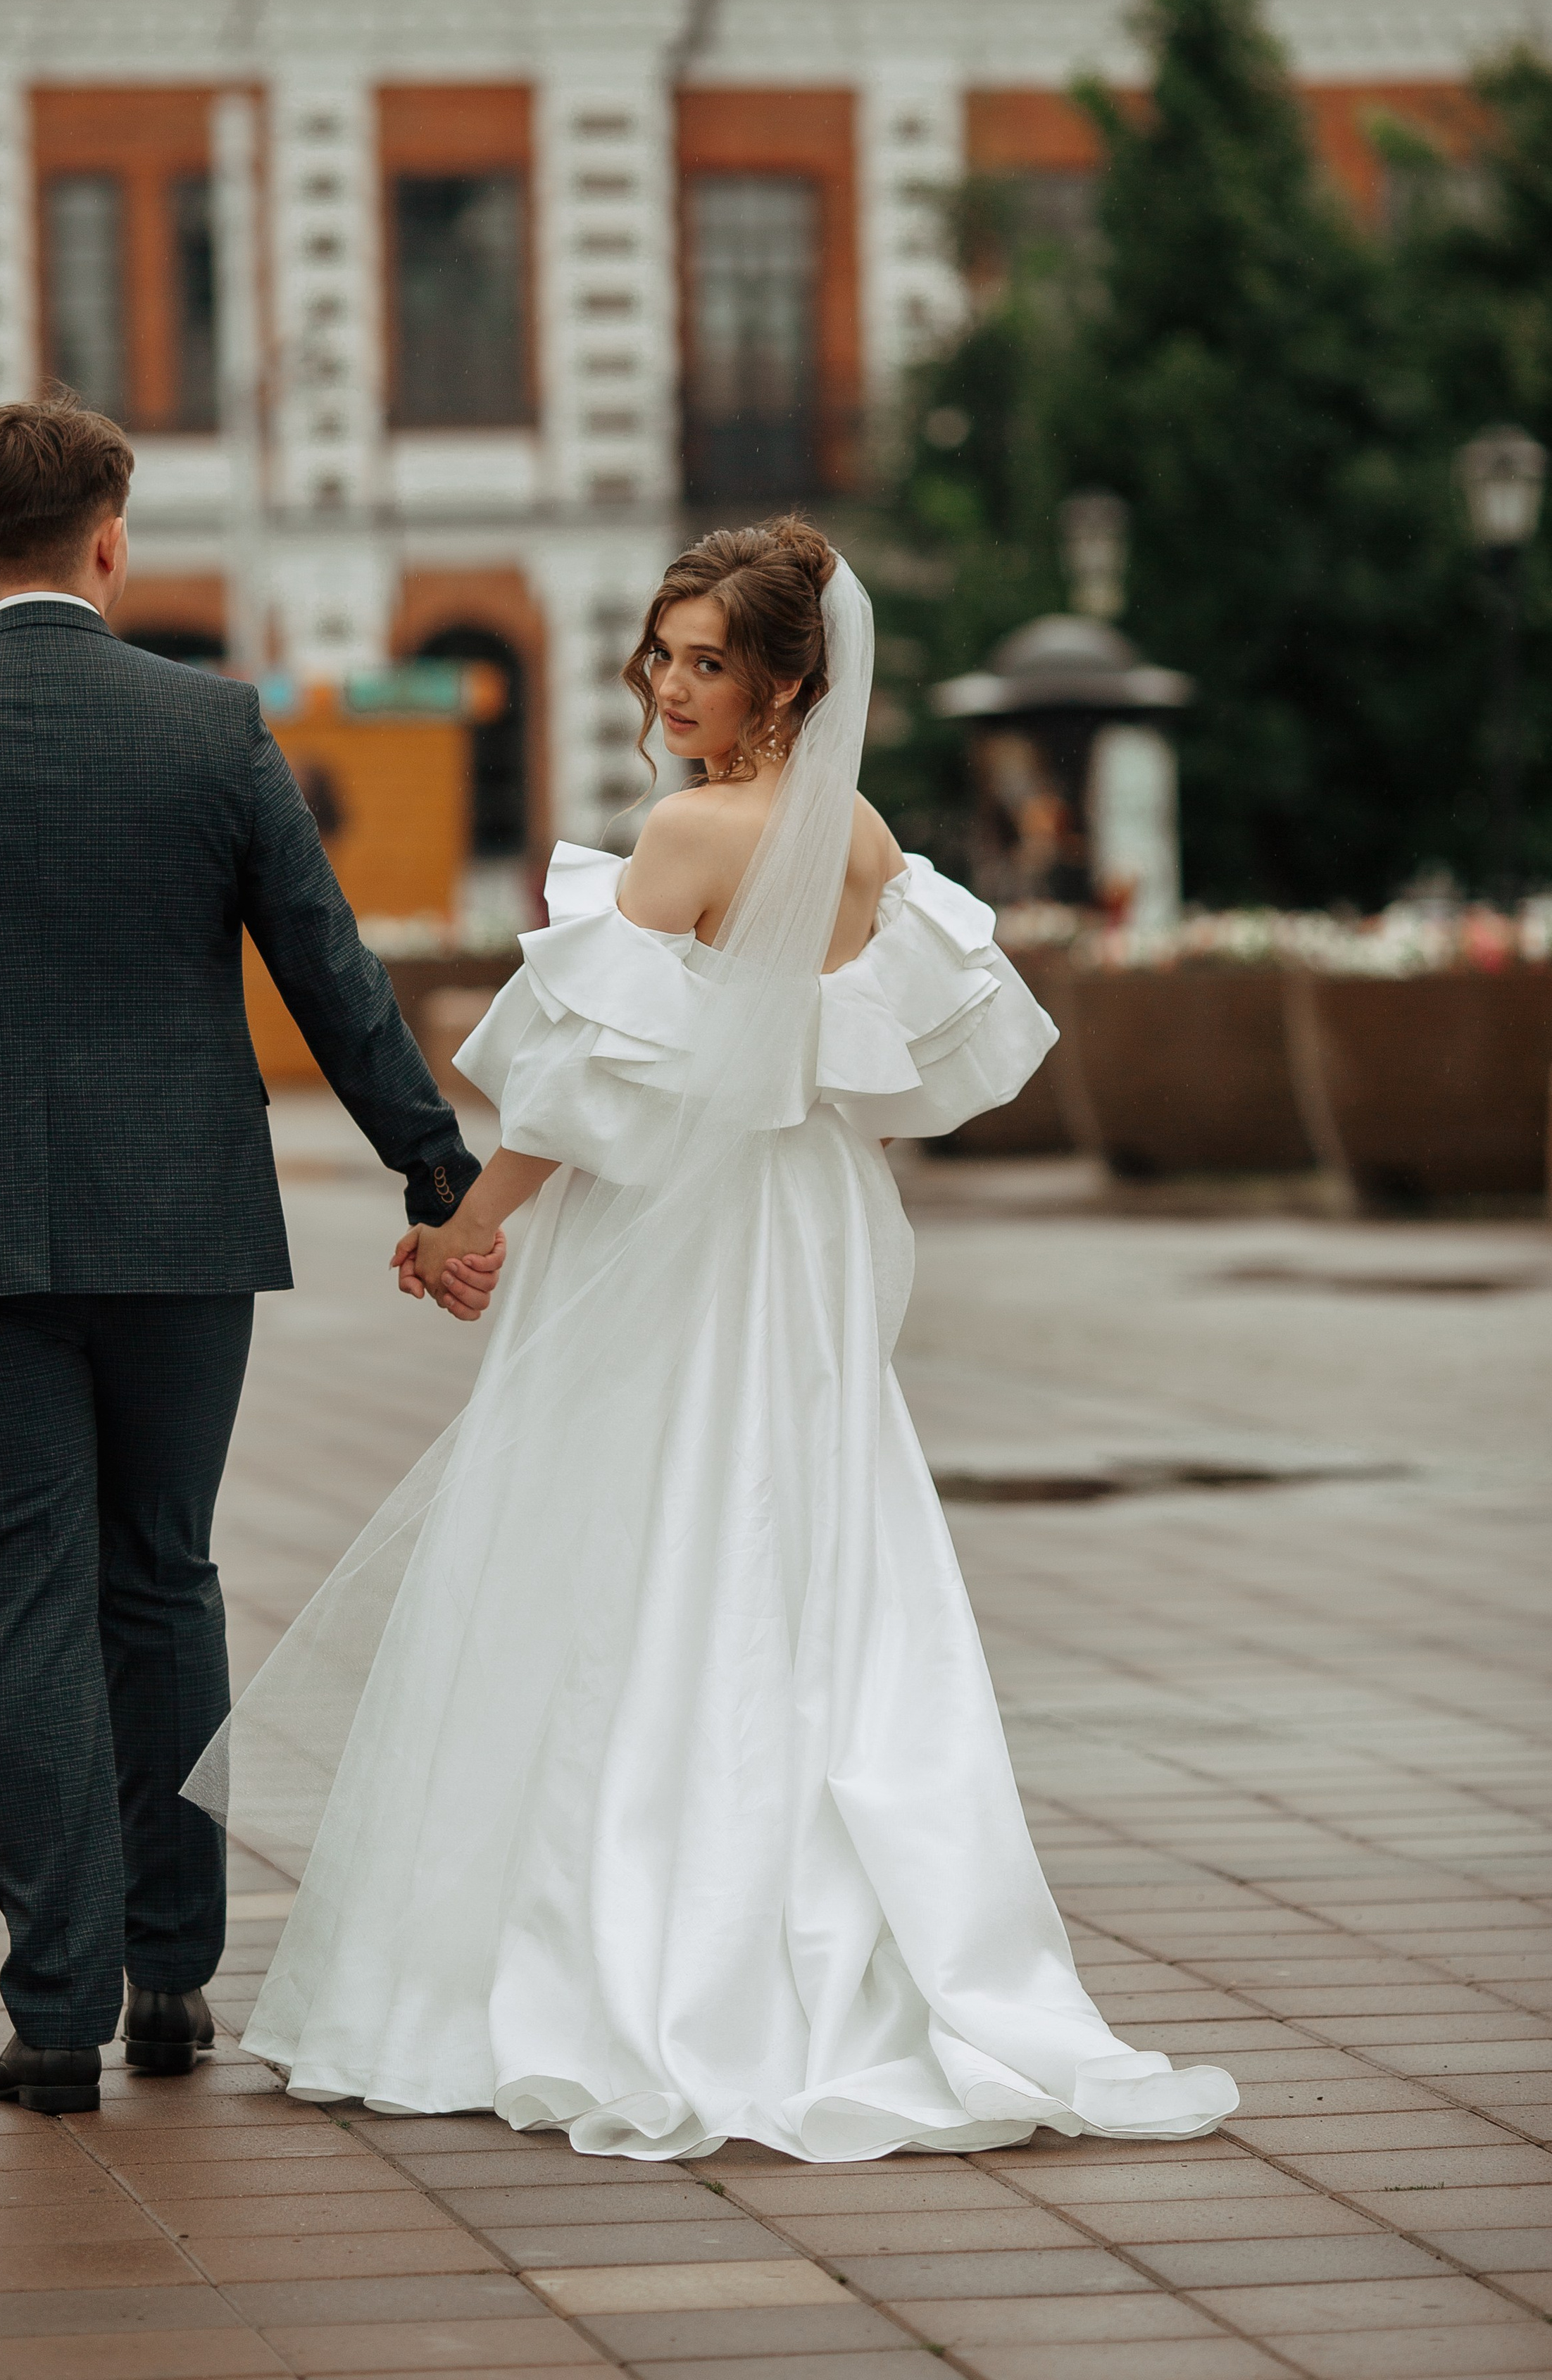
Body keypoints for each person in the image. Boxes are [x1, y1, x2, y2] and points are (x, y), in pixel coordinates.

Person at [188, 515, 1237, 2162]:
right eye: (661, 656)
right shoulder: (862, 835)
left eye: (707, 664)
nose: (669, 689)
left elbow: (573, 1088)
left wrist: (463, 1226)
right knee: (808, 1536)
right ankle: (830, 1931)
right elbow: (887, 1059)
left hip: (681, 1227)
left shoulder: (686, 836)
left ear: (785, 683)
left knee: (632, 1536)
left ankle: (617, 1947)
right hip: (806, 1226)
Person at [0, 394, 500, 2118]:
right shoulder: (210, 727)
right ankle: (172, 1974)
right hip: (178, 1223)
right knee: (163, 1574)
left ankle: (52, 2011)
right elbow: (328, 969)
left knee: (16, 1589)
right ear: (110, 537)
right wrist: (435, 1172)